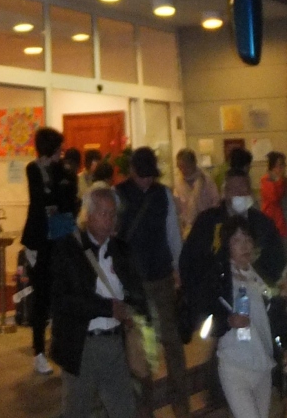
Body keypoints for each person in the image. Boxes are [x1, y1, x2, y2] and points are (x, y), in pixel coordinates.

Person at [51, 185, 148, 418]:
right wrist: (107, 308)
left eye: (113, 214)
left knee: (124, 409)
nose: (109, 220)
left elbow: (136, 290)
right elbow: (62, 299)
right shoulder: (68, 249)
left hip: (114, 342)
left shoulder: (120, 250)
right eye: (103, 213)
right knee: (77, 410)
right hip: (82, 344)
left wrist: (132, 310)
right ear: (88, 215)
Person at [196, 216, 287, 418]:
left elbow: (279, 316)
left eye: (248, 239)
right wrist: (228, 321)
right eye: (237, 240)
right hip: (234, 367)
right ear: (227, 246)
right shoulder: (219, 279)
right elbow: (204, 320)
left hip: (263, 365)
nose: (244, 246)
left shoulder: (261, 277)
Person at [116, 146, 190, 418]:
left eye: (150, 175)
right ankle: (143, 406)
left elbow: (172, 233)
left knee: (171, 340)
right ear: (132, 171)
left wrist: (179, 268)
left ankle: (180, 400)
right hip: (133, 283)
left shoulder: (163, 194)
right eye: (142, 175)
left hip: (161, 276)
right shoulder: (118, 194)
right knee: (140, 348)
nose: (147, 180)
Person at [180, 172, 286, 337]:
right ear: (225, 192)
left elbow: (277, 257)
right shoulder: (207, 222)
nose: (239, 194)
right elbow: (190, 261)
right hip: (218, 308)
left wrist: (259, 278)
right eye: (234, 189)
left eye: (243, 189)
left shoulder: (262, 223)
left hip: (256, 303)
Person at [21, 126, 64, 375]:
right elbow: (39, 200)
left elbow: (63, 199)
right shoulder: (33, 169)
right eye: (58, 149)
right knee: (41, 296)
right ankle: (38, 352)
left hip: (56, 238)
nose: (61, 153)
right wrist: (53, 199)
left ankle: (56, 346)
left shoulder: (58, 170)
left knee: (57, 292)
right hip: (38, 241)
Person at [174, 148, 219, 236]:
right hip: (186, 230)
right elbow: (177, 208)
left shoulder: (206, 181)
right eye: (180, 167)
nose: (183, 170)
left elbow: (216, 202)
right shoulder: (178, 184)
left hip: (206, 227)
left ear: (193, 163)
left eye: (186, 166)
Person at [260, 152, 287, 243]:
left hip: (283, 221)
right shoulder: (266, 180)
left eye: (283, 165)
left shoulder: (284, 181)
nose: (282, 168)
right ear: (273, 167)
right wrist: (279, 181)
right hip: (272, 221)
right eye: (279, 165)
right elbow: (274, 198)